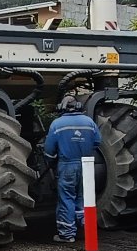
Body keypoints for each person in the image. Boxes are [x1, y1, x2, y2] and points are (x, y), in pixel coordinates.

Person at [43, 95, 102, 243]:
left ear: (62, 107)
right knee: (84, 197)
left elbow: (49, 150)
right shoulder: (89, 122)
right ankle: (86, 229)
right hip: (87, 165)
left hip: (67, 165)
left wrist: (50, 161)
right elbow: (97, 142)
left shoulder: (57, 124)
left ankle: (67, 234)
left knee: (67, 198)